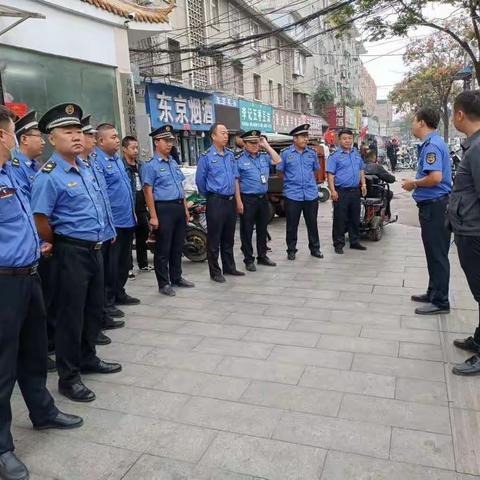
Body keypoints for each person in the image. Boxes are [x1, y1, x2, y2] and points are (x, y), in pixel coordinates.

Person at [0, 105, 84, 480]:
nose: (16, 141)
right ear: (4, 136)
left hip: (29, 275)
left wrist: (35, 244)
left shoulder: (11, 171)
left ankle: (43, 411)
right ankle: (2, 448)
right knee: (2, 368)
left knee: (34, 353)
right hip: (3, 283)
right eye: (13, 134)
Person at [31, 104, 122, 403]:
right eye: (67, 132)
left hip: (95, 249)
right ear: (52, 140)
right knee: (71, 316)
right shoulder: (49, 174)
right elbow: (40, 218)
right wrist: (57, 242)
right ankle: (69, 378)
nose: (76, 137)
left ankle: (88, 357)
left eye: (78, 131)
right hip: (70, 252)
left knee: (93, 309)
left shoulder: (85, 168)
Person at [401, 107, 452, 315]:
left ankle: (440, 301)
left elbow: (435, 178)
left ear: (421, 122)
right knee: (433, 253)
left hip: (436, 206)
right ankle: (433, 292)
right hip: (433, 206)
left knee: (438, 254)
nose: (412, 124)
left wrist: (413, 183)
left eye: (414, 120)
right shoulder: (433, 143)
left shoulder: (432, 145)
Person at [79, 116, 124, 339]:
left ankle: (101, 317)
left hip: (104, 229)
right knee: (90, 287)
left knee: (105, 275)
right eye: (89, 136)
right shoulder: (82, 166)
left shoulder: (91, 164)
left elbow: (102, 198)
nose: (91, 140)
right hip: (82, 241)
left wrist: (110, 227)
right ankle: (94, 325)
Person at [446, 91, 480, 375]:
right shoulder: (474, 146)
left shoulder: (479, 147)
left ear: (459, 114)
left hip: (475, 233)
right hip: (469, 229)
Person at [142, 125, 194, 296]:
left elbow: (180, 185)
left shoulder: (172, 162)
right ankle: (163, 283)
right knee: (163, 248)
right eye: (165, 140)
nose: (169, 144)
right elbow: (148, 191)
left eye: (171, 140)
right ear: (156, 142)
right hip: (163, 209)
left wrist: (185, 208)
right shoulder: (151, 165)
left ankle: (176, 277)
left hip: (178, 206)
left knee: (178, 245)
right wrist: (153, 216)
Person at [95, 123, 140, 308]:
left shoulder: (117, 161)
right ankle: (108, 300)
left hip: (127, 219)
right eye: (113, 137)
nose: (116, 140)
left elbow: (126, 190)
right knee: (111, 265)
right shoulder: (98, 162)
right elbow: (102, 195)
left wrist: (133, 212)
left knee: (124, 262)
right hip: (114, 224)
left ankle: (120, 292)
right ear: (101, 140)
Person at [196, 123, 244, 282]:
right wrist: (211, 195)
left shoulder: (230, 155)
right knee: (214, 238)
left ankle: (229, 267)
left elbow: (235, 178)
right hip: (216, 201)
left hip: (230, 201)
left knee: (228, 236)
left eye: (226, 133)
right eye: (222, 133)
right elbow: (200, 182)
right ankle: (215, 271)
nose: (226, 136)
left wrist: (238, 200)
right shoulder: (206, 157)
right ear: (213, 136)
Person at [277, 124, 323, 261]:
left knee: (312, 224)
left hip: (310, 194)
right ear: (295, 138)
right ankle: (291, 250)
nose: (305, 139)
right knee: (292, 225)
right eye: (302, 137)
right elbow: (280, 172)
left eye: (306, 136)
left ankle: (315, 249)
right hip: (292, 195)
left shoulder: (312, 153)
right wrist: (291, 181)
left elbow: (315, 170)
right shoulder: (285, 153)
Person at [236, 130, 280, 271]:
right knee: (247, 230)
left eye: (257, 142)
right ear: (244, 143)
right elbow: (235, 182)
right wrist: (238, 201)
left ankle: (262, 256)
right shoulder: (239, 159)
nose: (255, 145)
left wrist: (266, 145)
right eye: (251, 143)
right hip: (247, 198)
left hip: (263, 198)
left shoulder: (263, 156)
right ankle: (249, 259)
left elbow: (278, 160)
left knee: (262, 228)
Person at [327, 128, 368, 255]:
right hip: (341, 192)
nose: (347, 141)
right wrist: (332, 191)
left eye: (350, 138)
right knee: (340, 218)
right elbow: (330, 175)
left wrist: (364, 184)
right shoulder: (335, 156)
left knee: (355, 217)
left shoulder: (356, 153)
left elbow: (361, 169)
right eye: (344, 138)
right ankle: (338, 244)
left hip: (355, 191)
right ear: (340, 140)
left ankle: (354, 241)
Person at [122, 135, 153, 276]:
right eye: (132, 148)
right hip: (129, 207)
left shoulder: (141, 165)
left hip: (141, 207)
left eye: (136, 148)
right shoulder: (121, 166)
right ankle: (127, 267)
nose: (135, 151)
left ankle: (143, 263)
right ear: (124, 149)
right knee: (128, 238)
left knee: (143, 234)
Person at [10, 110, 46, 199]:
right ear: (24, 139)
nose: (43, 142)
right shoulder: (16, 168)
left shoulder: (33, 165)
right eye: (39, 136)